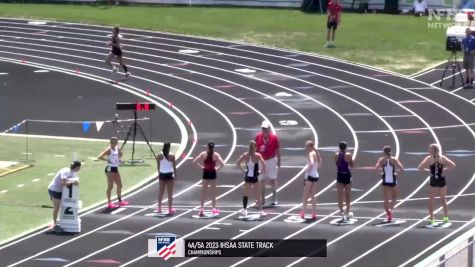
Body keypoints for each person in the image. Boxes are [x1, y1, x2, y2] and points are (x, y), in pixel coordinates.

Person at [418, 144, 456, 226]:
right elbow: (453, 165)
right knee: (443, 199)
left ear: (432, 150)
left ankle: (432, 218)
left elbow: (420, 167)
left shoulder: (429, 158)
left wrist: (428, 171)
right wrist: (445, 170)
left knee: (431, 200)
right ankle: (445, 217)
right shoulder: (442, 158)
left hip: (433, 180)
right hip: (441, 180)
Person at [236, 140, 267, 218]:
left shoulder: (245, 155)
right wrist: (261, 172)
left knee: (246, 194)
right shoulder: (258, 155)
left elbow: (237, 163)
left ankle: (245, 210)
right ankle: (260, 211)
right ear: (255, 147)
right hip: (255, 176)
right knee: (258, 195)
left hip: (248, 176)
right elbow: (264, 165)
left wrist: (244, 170)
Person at [193, 141, 225, 216]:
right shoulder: (216, 155)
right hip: (213, 173)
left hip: (206, 173)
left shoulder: (203, 154)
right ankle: (213, 209)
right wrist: (217, 168)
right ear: (213, 147)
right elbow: (223, 164)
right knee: (213, 192)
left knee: (204, 192)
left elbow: (194, 161)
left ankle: (201, 209)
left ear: (207, 147)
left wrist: (201, 167)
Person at [47, 161, 81, 231]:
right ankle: (55, 223)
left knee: (61, 205)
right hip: (54, 189)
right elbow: (63, 183)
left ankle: (58, 220)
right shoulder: (66, 171)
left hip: (60, 191)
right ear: (77, 167)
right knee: (57, 206)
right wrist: (73, 183)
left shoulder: (72, 173)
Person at [374, 146, 405, 222]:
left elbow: (376, 168)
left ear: (384, 152)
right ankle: (391, 210)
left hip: (385, 180)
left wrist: (380, 174)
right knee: (394, 196)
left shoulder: (381, 160)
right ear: (390, 151)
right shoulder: (394, 159)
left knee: (386, 199)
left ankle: (388, 214)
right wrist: (397, 174)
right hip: (392, 180)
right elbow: (402, 168)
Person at [255, 120, 281, 206]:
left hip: (271, 160)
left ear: (269, 129)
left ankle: (274, 198)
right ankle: (262, 198)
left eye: (266, 128)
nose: (264, 130)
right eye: (263, 128)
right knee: (261, 180)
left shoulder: (274, 138)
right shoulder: (258, 137)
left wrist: (279, 161)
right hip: (261, 160)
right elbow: (255, 149)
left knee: (272, 180)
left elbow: (277, 150)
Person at [98, 137, 128, 209]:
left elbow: (121, 154)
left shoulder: (117, 148)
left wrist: (118, 160)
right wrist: (107, 160)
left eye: (114, 142)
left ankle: (120, 201)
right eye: (112, 142)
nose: (113, 143)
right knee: (110, 186)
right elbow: (99, 156)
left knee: (120, 185)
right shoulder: (109, 149)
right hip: (109, 169)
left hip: (115, 168)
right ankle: (109, 203)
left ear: (117, 142)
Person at [300, 140, 321, 220]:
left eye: (307, 147)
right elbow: (318, 164)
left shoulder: (311, 153)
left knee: (305, 194)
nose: (306, 148)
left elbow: (311, 163)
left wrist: (307, 173)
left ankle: (303, 212)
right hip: (315, 175)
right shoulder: (317, 154)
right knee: (312, 194)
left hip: (310, 176)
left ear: (310, 146)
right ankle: (314, 213)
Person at [334, 141, 354, 221]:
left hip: (339, 175)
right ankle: (347, 212)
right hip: (347, 175)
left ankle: (341, 212)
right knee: (348, 195)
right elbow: (352, 165)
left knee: (340, 195)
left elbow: (337, 164)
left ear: (339, 147)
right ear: (346, 147)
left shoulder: (336, 155)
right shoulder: (348, 155)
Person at [157, 142, 177, 215]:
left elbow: (158, 166)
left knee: (161, 192)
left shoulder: (159, 155)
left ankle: (159, 208)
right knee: (170, 193)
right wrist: (176, 175)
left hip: (162, 174)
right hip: (169, 175)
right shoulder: (172, 155)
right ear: (169, 147)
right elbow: (174, 167)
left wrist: (158, 174)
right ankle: (170, 209)